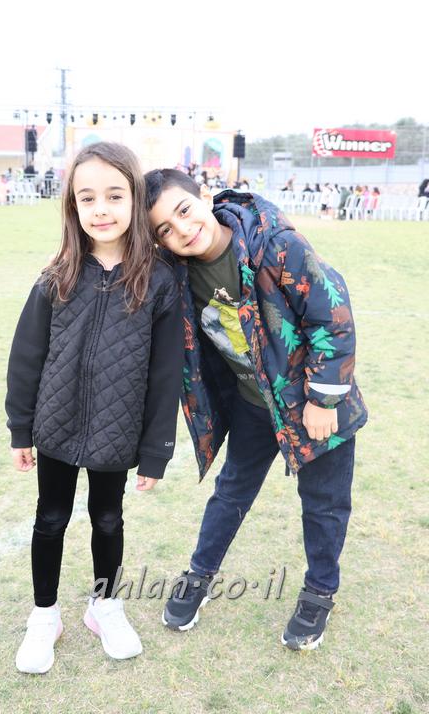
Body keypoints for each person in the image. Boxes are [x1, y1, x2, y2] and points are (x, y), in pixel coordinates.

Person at [145, 170, 367, 652]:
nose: (182, 229)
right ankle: (199, 575)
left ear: (205, 197)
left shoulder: (274, 242)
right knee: (230, 491)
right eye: (164, 228)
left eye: (184, 210)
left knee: (324, 503)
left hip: (315, 405)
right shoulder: (174, 273)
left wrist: (323, 400)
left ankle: (319, 592)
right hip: (253, 404)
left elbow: (333, 316)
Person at [5, 143, 184, 674]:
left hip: (118, 430)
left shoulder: (159, 281)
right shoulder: (57, 273)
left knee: (108, 519)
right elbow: (26, 355)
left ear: (134, 199)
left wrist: (156, 451)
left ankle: (105, 607)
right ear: (73, 206)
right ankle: (45, 616)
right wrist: (20, 429)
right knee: (51, 518)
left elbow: (165, 374)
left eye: (113, 195)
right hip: (55, 424)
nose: (100, 209)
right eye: (87, 198)